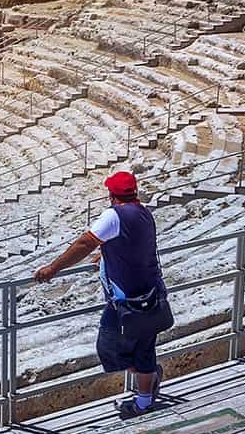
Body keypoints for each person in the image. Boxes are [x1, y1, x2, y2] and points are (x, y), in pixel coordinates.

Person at [34, 170, 173, 419]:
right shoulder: (144, 213)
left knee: (108, 348)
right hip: (151, 292)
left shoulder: (113, 215)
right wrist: (108, 253)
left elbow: (84, 244)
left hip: (126, 299)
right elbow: (133, 244)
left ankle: (147, 379)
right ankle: (143, 400)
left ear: (111, 195)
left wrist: (52, 269)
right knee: (144, 349)